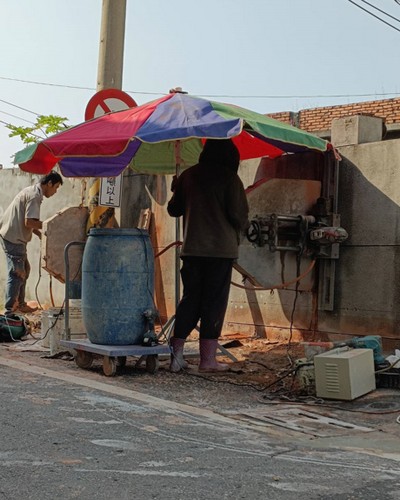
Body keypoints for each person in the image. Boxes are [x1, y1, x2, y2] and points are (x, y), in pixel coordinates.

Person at [167, 139, 249, 373]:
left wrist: (177, 189)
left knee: (190, 299)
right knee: (213, 302)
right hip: (220, 251)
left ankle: (177, 356)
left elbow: (174, 210)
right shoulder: (230, 178)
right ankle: (207, 360)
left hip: (192, 249)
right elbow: (239, 216)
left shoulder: (189, 175)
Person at [0, 170, 63, 315]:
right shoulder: (35, 196)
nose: (55, 192)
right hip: (13, 238)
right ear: (49, 183)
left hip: (12, 235)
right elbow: (29, 221)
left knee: (25, 270)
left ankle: (20, 304)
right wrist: (49, 225)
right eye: (56, 187)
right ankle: (9, 311)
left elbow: (27, 220)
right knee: (17, 273)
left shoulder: (32, 191)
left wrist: (39, 234)